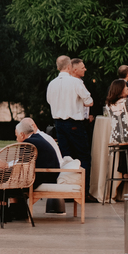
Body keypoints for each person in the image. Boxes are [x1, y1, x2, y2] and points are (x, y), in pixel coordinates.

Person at [0, 119, 59, 224]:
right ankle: (17, 211)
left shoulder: (28, 143)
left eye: (16, 136)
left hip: (42, 176)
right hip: (48, 174)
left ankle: (4, 212)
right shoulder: (38, 139)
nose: (16, 139)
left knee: (1, 176)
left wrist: (6, 167)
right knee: (11, 176)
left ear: (22, 135)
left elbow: (22, 166)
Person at [46, 55, 93, 196]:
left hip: (58, 124)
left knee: (66, 156)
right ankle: (83, 192)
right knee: (83, 156)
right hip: (74, 123)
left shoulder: (52, 84)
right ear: (69, 67)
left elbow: (49, 101)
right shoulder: (75, 82)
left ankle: (66, 190)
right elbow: (89, 101)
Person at [104, 79, 128, 195]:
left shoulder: (109, 104)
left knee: (127, 157)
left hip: (116, 139)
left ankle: (124, 182)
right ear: (121, 90)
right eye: (126, 87)